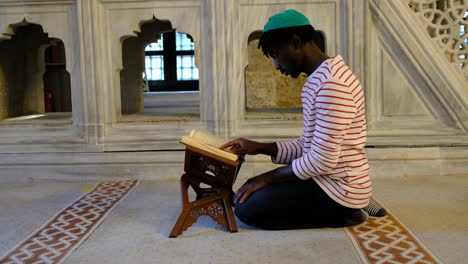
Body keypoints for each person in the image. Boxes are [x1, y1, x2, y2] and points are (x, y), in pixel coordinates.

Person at [220, 9, 385, 230]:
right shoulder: (320, 79)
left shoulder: (332, 85)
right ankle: (359, 200)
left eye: (276, 54)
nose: (277, 66)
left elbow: (320, 160)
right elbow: (308, 147)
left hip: (338, 188)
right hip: (328, 179)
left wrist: (266, 178)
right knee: (249, 194)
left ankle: (349, 212)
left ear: (296, 42)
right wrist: (257, 147)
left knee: (246, 208)